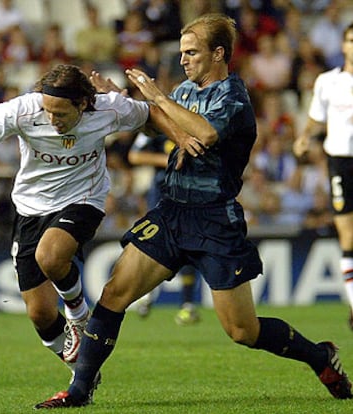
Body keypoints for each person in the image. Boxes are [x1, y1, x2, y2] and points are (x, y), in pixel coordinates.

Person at [34, 14, 352, 409]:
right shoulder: (185, 90)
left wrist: (158, 97)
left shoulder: (233, 98)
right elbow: (160, 126)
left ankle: (319, 356)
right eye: (182, 52)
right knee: (114, 293)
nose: (183, 60)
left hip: (215, 219)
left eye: (191, 52)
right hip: (172, 212)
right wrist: (125, 100)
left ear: (219, 54)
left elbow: (203, 133)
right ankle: (79, 390)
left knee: (242, 330)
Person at [0, 64, 149, 384]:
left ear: (82, 104)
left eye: (61, 113)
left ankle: (79, 318)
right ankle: (82, 372)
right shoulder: (23, 109)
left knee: (50, 255)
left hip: (84, 198)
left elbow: (153, 117)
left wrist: (185, 142)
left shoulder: (109, 108)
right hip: (30, 209)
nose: (52, 119)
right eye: (48, 111)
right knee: (39, 314)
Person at [294, 22, 353, 329]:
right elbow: (316, 118)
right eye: (351, 41)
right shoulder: (328, 82)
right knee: (348, 235)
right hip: (341, 162)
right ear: (343, 46)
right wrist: (304, 137)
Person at [128, 131, 201, 325]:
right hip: (161, 193)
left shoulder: (193, 121)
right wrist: (169, 159)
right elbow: (134, 155)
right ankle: (148, 293)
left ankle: (187, 304)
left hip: (190, 191)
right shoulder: (155, 124)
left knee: (187, 245)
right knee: (156, 243)